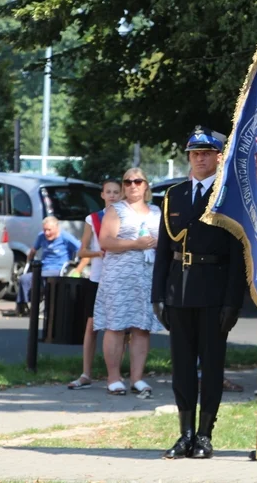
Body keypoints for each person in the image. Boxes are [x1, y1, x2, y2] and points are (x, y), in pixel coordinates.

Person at [152, 126, 245, 460]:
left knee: (212, 365)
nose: (200, 159)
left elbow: (237, 254)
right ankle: (185, 433)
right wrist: (157, 295)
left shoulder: (228, 195)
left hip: (214, 291)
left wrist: (233, 301)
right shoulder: (174, 195)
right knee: (182, 368)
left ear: (219, 157)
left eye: (206, 153)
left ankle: (205, 434)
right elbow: (164, 250)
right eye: (194, 153)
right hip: (179, 290)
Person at [94, 167, 163, 398]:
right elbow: (106, 241)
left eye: (138, 181)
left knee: (142, 327)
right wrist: (136, 244)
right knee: (116, 326)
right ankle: (113, 377)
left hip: (146, 276)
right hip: (119, 276)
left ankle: (137, 378)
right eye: (128, 182)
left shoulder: (156, 211)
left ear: (146, 185)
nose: (132, 185)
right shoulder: (116, 210)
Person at [67, 179, 122, 390]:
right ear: (102, 195)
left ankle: (115, 375)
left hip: (118, 278)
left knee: (119, 328)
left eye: (116, 192)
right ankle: (86, 373)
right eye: (108, 192)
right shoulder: (93, 219)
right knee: (91, 326)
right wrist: (97, 253)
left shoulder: (126, 218)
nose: (112, 195)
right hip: (97, 277)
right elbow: (81, 251)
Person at [12, 216, 80, 317]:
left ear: (57, 228)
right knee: (24, 278)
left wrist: (77, 265)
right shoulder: (41, 236)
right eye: (45, 230)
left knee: (47, 277)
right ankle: (22, 305)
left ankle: (47, 308)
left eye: (49, 230)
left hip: (59, 269)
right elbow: (33, 250)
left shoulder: (66, 237)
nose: (47, 233)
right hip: (43, 268)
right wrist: (29, 261)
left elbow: (80, 248)